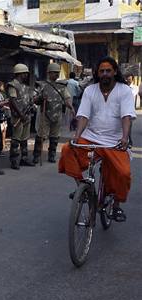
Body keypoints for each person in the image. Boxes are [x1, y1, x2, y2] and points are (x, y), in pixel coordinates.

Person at [58, 56, 136, 222]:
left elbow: (126, 116)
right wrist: (77, 136)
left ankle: (116, 206)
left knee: (124, 173)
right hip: (91, 138)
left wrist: (124, 137)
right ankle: (82, 188)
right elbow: (84, 115)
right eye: (102, 71)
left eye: (108, 70)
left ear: (115, 72)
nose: (105, 74)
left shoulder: (124, 90)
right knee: (67, 149)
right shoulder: (90, 90)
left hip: (115, 142)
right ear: (97, 73)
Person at [33, 63, 74, 164]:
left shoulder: (62, 86)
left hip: (57, 114)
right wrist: (41, 98)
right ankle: (36, 156)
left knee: (55, 137)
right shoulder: (42, 85)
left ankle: (52, 155)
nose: (56, 75)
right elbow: (35, 100)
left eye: (57, 73)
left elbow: (67, 98)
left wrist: (71, 108)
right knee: (40, 136)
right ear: (49, 73)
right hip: (45, 114)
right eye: (54, 73)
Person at [7, 64, 36, 169]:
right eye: (24, 73)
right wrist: (21, 114)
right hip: (18, 117)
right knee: (16, 139)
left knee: (24, 138)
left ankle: (24, 158)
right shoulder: (13, 85)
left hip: (26, 116)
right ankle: (14, 160)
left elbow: (29, 100)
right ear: (19, 73)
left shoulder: (25, 86)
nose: (26, 75)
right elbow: (12, 101)